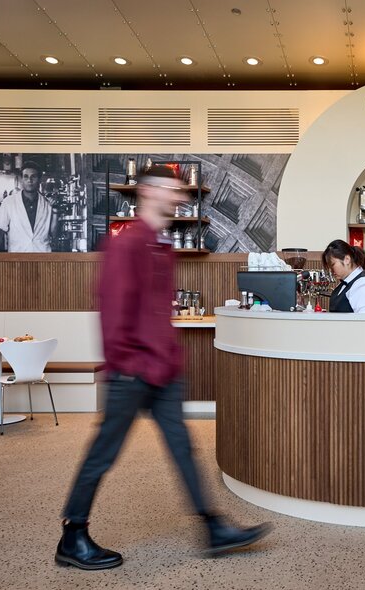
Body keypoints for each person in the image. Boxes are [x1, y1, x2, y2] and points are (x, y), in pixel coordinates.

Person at [56, 165, 272, 571]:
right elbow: (113, 311)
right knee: (104, 453)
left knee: (183, 450)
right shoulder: (128, 243)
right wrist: (129, 364)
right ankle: (73, 535)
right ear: (149, 192)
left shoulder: (159, 245)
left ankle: (213, 528)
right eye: (173, 190)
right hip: (133, 372)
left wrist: (169, 358)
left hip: (162, 372)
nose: (180, 197)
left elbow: (156, 312)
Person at [0, 161, 57, 252]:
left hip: (42, 255)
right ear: (21, 179)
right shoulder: (8, 202)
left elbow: (54, 234)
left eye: (33, 176)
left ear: (39, 179)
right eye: (26, 176)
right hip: (17, 255)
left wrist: (56, 211)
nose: (29, 180)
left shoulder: (47, 203)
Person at [322, 239, 365, 313]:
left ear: (347, 259)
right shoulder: (345, 283)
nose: (331, 270)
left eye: (332, 265)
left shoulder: (363, 284)